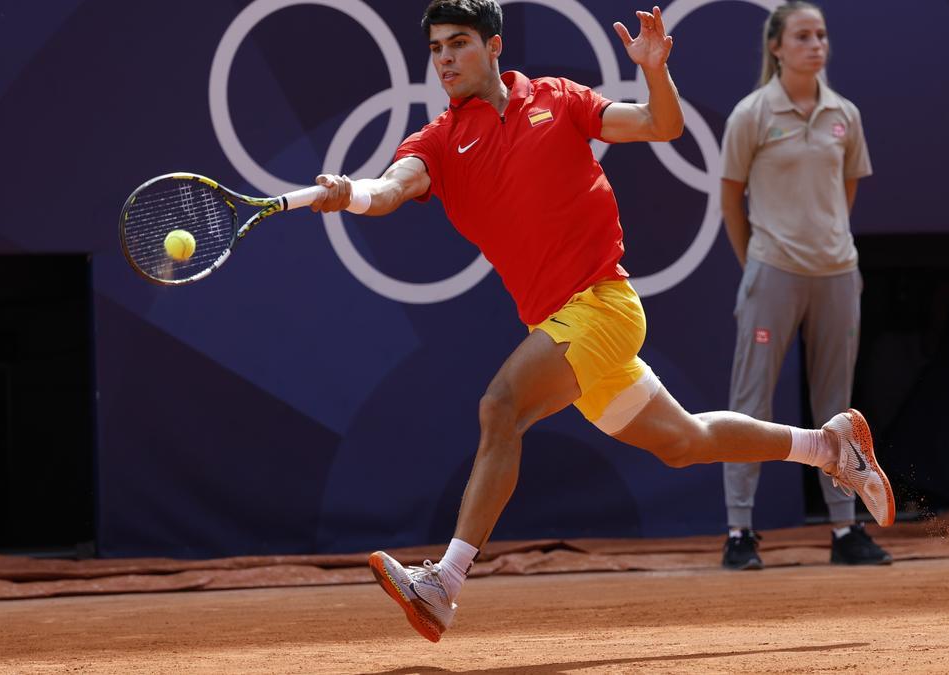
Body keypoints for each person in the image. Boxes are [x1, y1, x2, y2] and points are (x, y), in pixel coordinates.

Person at [310, 0, 894, 643]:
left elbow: (660, 125)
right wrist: (353, 193)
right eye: (436, 48)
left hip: (603, 306)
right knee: (684, 442)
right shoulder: (439, 142)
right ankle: (827, 446)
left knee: (500, 408)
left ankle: (444, 584)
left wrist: (654, 71)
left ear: (494, 45)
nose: (445, 59)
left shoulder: (558, 99)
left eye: (459, 44)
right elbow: (392, 188)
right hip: (564, 323)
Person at [718, 1, 891, 571]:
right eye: (801, 36)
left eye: (820, 35)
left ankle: (845, 529)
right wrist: (760, 263)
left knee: (838, 408)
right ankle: (739, 531)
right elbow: (731, 199)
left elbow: (845, 194)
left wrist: (827, 244)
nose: (815, 45)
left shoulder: (847, 114)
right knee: (751, 401)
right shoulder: (751, 113)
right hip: (773, 271)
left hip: (837, 273)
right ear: (776, 47)